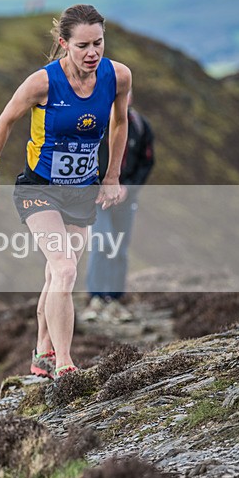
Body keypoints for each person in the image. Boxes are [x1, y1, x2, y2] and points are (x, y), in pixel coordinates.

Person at [0, 4, 131, 380]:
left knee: (56, 276)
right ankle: (64, 363)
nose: (92, 53)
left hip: (82, 191)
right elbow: (6, 119)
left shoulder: (117, 76)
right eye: (82, 46)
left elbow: (120, 122)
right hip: (39, 190)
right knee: (65, 268)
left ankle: (41, 351)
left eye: (98, 43)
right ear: (64, 44)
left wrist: (112, 176)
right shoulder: (42, 82)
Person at [81, 91, 155, 324]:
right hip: (99, 199)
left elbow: (147, 162)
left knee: (120, 249)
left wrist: (128, 189)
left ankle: (113, 299)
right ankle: (95, 298)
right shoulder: (95, 123)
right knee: (102, 242)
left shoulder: (141, 127)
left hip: (126, 199)